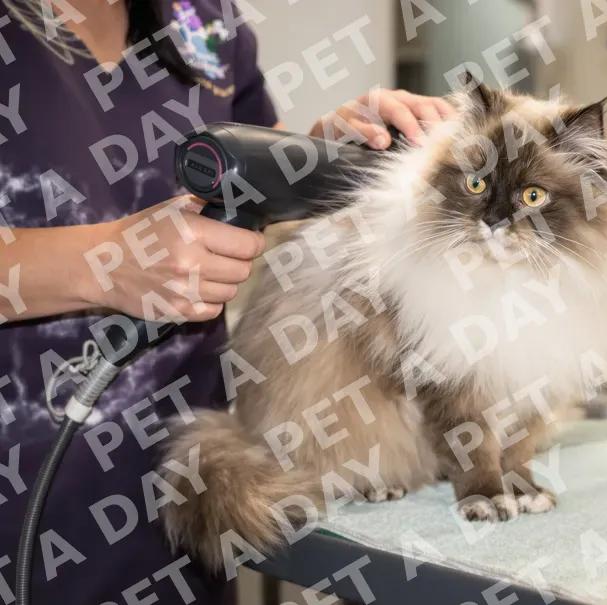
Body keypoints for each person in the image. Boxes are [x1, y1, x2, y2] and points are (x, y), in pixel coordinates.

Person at [0, 1, 453, 603]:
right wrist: (102, 262)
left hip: (193, 502)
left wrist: (329, 161)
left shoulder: (203, 20)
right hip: (25, 507)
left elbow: (246, 197)